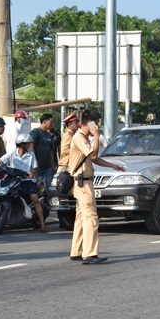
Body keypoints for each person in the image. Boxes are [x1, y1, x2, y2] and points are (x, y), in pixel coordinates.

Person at [68, 109, 125, 264]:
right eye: (97, 123)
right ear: (91, 122)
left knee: (81, 217)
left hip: (83, 181)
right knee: (92, 218)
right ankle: (90, 254)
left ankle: (77, 251)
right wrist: (97, 136)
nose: (98, 126)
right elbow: (93, 155)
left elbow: (94, 159)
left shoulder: (84, 138)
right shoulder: (79, 137)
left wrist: (113, 166)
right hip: (82, 182)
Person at [0, 133, 48, 232]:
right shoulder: (12, 153)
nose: (30, 145)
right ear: (22, 144)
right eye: (28, 143)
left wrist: (31, 173)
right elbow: (0, 162)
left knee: (35, 199)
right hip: (13, 180)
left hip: (27, 181)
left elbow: (35, 167)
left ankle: (43, 224)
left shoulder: (31, 154)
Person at [29, 113, 55, 190]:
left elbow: (51, 151)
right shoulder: (35, 132)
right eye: (50, 122)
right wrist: (35, 161)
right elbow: (31, 146)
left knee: (47, 186)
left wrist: (52, 165)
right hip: (37, 167)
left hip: (47, 167)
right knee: (37, 186)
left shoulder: (49, 136)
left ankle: (46, 202)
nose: (52, 124)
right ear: (44, 122)